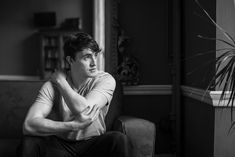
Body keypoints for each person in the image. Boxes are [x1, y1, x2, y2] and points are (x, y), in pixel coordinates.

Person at [17, 32, 131, 157]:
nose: (94, 62)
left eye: (95, 55)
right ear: (70, 60)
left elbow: (84, 111)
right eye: (86, 57)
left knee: (119, 140)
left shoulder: (105, 80)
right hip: (60, 146)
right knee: (29, 142)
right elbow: (28, 125)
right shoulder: (51, 86)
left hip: (93, 143)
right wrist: (71, 126)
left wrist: (62, 82)